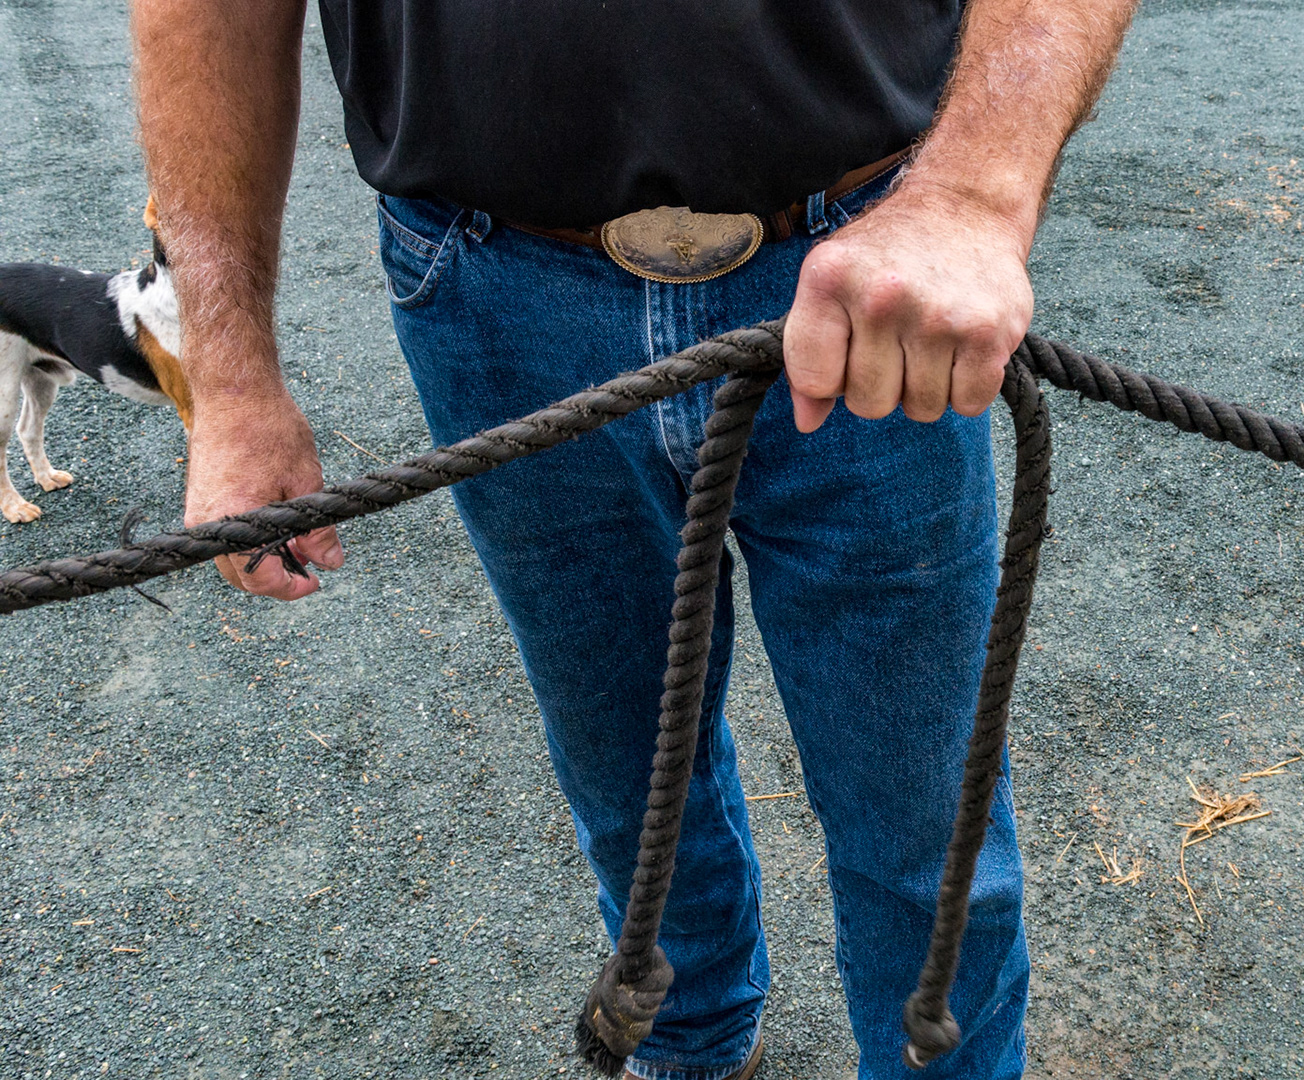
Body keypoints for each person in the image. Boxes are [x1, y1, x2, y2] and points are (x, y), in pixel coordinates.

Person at [130, 1, 1137, 1077]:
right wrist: (227, 376)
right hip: (490, 289)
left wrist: (976, 193)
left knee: (925, 808)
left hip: (870, 270)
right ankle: (688, 1040)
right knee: (622, 755)